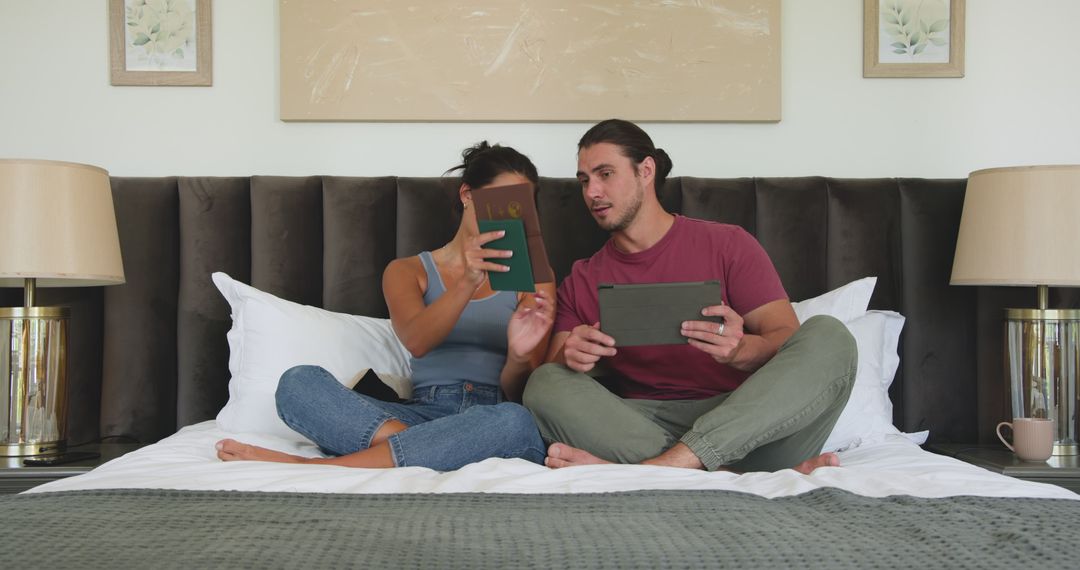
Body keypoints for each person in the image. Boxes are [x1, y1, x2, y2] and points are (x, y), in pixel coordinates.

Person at [522, 119, 857, 474]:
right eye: (585, 180)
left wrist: (740, 350)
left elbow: (788, 339)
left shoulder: (728, 245)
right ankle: (710, 472)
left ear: (645, 170)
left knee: (830, 336)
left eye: (605, 174)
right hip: (641, 425)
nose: (592, 192)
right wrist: (571, 353)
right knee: (544, 383)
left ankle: (659, 470)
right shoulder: (583, 278)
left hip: (750, 425)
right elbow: (555, 374)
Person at [217, 142, 555, 470]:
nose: (511, 217)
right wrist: (467, 281)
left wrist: (520, 356)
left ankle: (314, 466)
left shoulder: (536, 279)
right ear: (467, 195)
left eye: (522, 208)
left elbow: (522, 391)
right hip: (416, 414)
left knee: (515, 421)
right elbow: (417, 341)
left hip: (491, 412)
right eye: (503, 204)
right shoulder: (408, 271)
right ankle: (433, 448)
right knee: (298, 383)